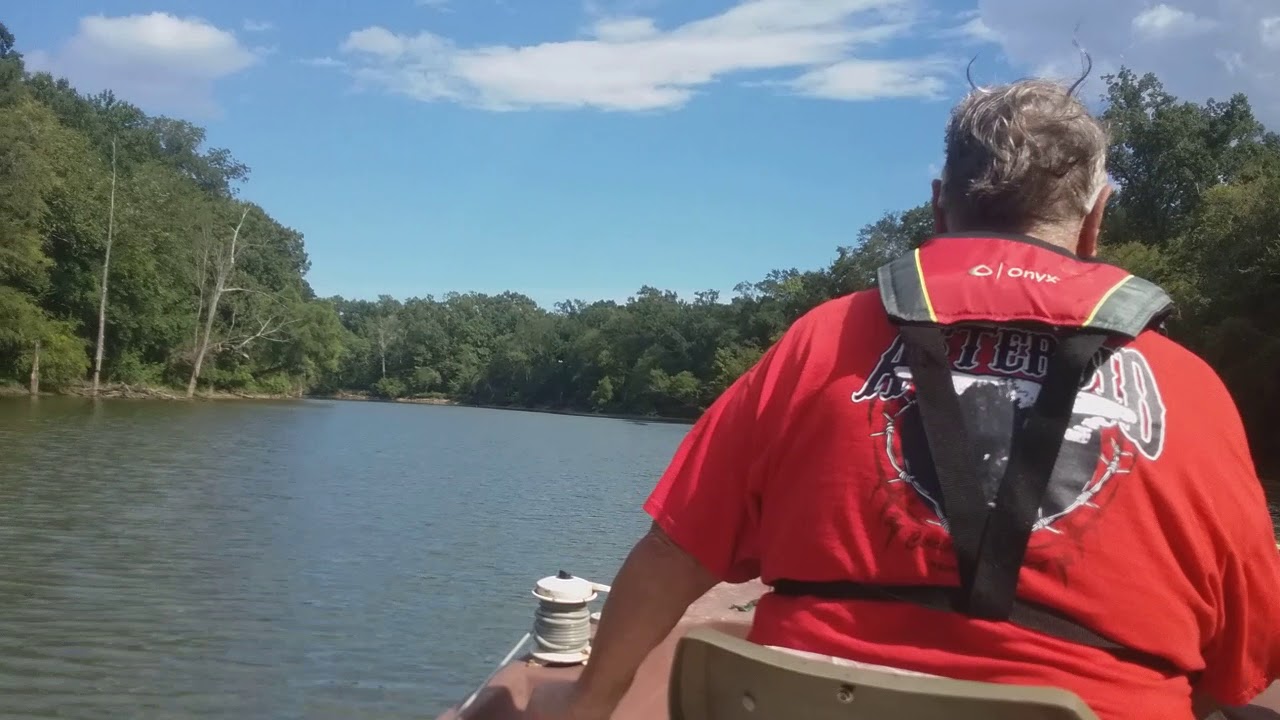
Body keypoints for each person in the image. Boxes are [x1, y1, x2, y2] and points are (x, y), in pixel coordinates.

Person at [527, 75, 1280, 720]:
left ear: (938, 206)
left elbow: (674, 552)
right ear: (1096, 220)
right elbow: (1244, 658)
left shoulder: (822, 340)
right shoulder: (1190, 386)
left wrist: (592, 703)